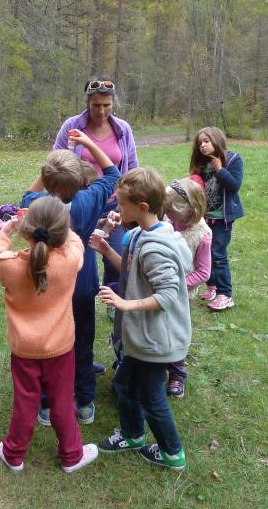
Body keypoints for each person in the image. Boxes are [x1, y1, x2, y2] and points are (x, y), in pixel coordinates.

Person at [0, 196, 99, 473]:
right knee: (61, 401)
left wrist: (6, 230)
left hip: (23, 349)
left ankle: (13, 454)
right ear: (61, 231)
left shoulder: (10, 265)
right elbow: (75, 243)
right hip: (60, 347)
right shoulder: (70, 261)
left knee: (26, 402)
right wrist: (63, 227)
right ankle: (72, 455)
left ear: (27, 230)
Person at [21, 131, 120, 425]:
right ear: (80, 182)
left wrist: (49, 169)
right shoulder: (88, 201)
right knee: (83, 339)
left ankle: (47, 405)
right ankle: (86, 402)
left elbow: (26, 195)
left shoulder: (38, 205)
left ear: (48, 182)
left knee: (51, 344)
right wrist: (89, 143)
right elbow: (113, 172)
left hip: (48, 285)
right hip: (81, 282)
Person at [97, 167, 191, 471]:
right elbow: (130, 272)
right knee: (124, 385)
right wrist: (106, 248)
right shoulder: (138, 234)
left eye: (122, 204)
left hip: (155, 341)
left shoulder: (155, 248)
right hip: (141, 337)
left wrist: (125, 304)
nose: (117, 209)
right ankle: (133, 435)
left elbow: (166, 296)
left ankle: (172, 453)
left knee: (151, 398)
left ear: (143, 207)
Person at [53, 76, 139, 286]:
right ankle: (73, 300)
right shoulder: (72, 126)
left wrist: (127, 204)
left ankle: (114, 296)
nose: (101, 111)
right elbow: (56, 164)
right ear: (87, 103)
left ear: (113, 103)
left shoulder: (122, 129)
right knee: (76, 256)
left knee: (116, 257)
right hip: (80, 204)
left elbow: (132, 169)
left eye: (106, 105)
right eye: (96, 106)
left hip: (113, 206)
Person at [163, 177, 212, 398]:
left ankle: (177, 373)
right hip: (159, 288)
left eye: (171, 213)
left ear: (188, 211)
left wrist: (177, 284)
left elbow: (203, 272)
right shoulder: (166, 220)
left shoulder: (201, 235)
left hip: (181, 295)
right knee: (159, 329)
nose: (169, 217)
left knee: (176, 333)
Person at [189, 127, 244, 311]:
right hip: (205, 218)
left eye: (206, 141)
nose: (203, 146)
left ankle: (225, 294)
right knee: (203, 252)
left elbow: (234, 185)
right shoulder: (202, 164)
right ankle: (211, 286)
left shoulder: (234, 159)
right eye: (200, 143)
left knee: (218, 255)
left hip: (223, 219)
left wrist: (220, 170)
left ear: (217, 140)